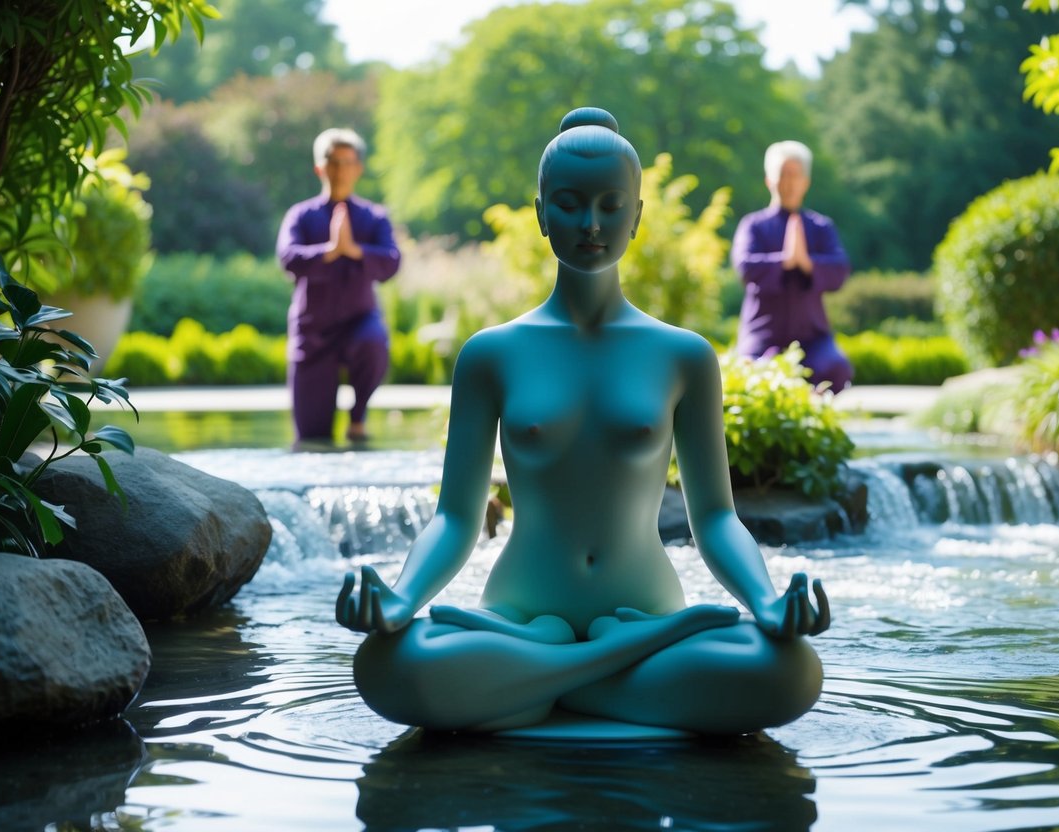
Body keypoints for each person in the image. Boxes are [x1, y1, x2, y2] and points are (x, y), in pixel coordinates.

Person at [336, 108, 829, 735]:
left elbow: (715, 518)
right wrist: (402, 601)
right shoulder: (492, 354)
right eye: (568, 204)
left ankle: (542, 686)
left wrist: (763, 602)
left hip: (646, 614)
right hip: (518, 616)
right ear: (541, 214)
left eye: (610, 204)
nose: (591, 223)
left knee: (791, 671)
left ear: (637, 215)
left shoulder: (683, 356)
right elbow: (457, 518)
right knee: (386, 664)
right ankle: (608, 676)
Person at [277, 128, 401, 444]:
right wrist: (330, 250)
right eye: (333, 162)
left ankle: (357, 417)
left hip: (360, 322)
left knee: (375, 343)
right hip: (312, 331)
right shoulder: (301, 215)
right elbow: (289, 258)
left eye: (348, 162)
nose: (340, 170)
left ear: (359, 167)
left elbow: (391, 262)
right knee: (311, 438)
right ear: (320, 167)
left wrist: (354, 250)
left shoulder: (374, 217)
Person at [732, 140, 852, 393]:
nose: (788, 182)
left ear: (805, 182)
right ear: (769, 180)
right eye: (782, 174)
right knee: (748, 376)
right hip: (762, 334)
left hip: (812, 338)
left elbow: (840, 270)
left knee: (837, 368)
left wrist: (806, 262)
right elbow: (745, 266)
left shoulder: (820, 227)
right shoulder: (753, 225)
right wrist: (785, 260)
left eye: (795, 175)